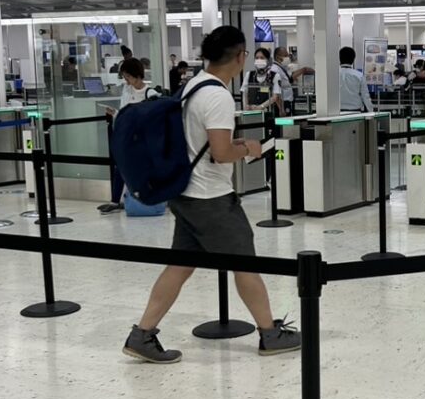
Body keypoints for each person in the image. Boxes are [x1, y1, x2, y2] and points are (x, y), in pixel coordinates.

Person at [124, 26, 300, 363]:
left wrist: (229, 147)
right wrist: (248, 148)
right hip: (211, 197)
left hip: (185, 191)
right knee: (245, 264)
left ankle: (142, 334)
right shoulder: (217, 95)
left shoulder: (192, 85)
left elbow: (201, 143)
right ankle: (269, 333)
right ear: (240, 56)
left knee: (179, 266)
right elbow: (219, 152)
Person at [99, 59, 162, 214]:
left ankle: (127, 200)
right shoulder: (127, 92)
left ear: (137, 75)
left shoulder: (151, 94)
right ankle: (115, 201)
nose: (126, 80)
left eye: (128, 76)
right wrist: (115, 114)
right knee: (120, 167)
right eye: (124, 76)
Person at [339, 46, 373, 113]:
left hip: (337, 112)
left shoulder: (333, 75)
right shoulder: (359, 75)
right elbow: (365, 96)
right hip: (355, 112)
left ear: (339, 58)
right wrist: (371, 111)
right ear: (353, 59)